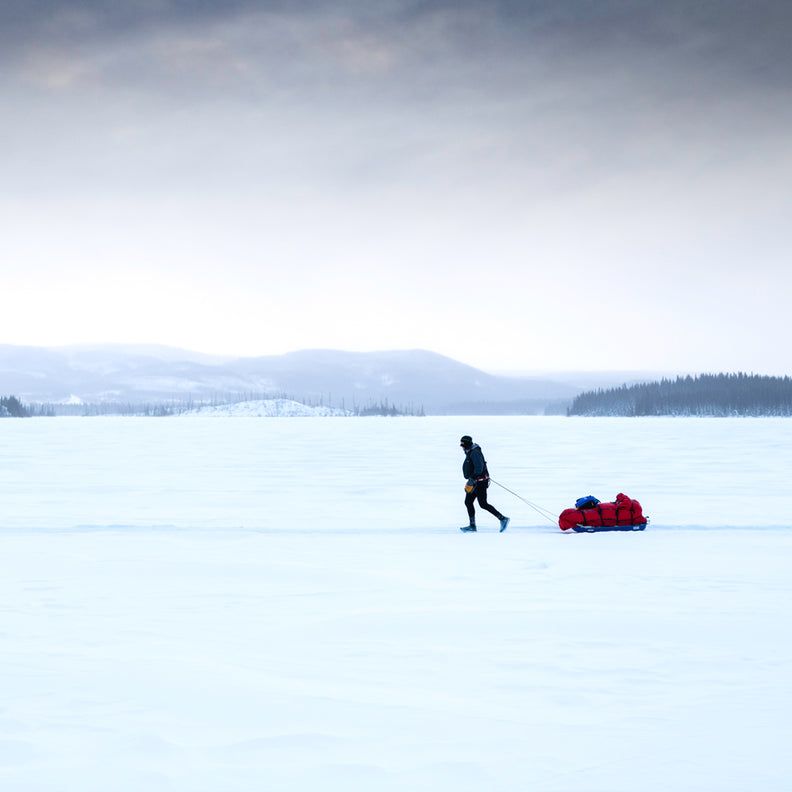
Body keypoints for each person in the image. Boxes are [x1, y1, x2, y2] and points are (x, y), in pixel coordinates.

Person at [459, 435, 509, 532]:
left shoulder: (475, 453)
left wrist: (472, 479)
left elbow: (479, 468)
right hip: (474, 482)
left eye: (462, 444)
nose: (461, 446)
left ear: (467, 444)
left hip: (480, 482)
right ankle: (472, 526)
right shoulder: (470, 452)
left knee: (483, 504)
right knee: (468, 502)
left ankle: (503, 519)